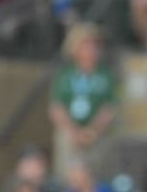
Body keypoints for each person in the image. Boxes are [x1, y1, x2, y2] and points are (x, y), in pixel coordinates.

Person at [49, 22, 118, 179]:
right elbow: (56, 108)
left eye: (95, 45)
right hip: (70, 133)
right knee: (64, 143)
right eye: (86, 45)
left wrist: (92, 131)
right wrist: (74, 132)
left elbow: (109, 108)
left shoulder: (105, 75)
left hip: (96, 134)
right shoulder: (65, 75)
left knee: (98, 163)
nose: (91, 50)